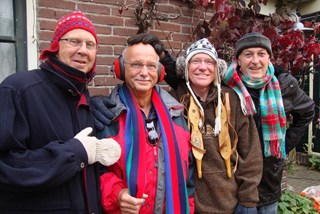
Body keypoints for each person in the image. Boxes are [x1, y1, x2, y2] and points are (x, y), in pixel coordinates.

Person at [0, 11, 121, 213]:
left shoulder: (83, 97)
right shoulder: (18, 90)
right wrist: (75, 153)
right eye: (74, 41)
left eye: (90, 45)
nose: (83, 50)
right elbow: (5, 168)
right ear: (55, 47)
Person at [96, 33, 195, 214]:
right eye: (136, 65)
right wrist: (117, 193)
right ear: (121, 69)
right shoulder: (107, 116)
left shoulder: (177, 114)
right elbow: (96, 172)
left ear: (159, 71)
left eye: (151, 66)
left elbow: (186, 173)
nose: (144, 72)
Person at [222, 32, 315, 213]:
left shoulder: (284, 85)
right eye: (248, 54)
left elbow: (307, 111)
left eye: (261, 54)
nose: (255, 61)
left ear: (269, 59)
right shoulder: (226, 86)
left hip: (269, 182)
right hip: (235, 183)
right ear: (238, 60)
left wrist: (283, 145)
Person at [170, 38, 263, 213]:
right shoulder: (172, 102)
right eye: (196, 61)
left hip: (231, 203)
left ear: (216, 70)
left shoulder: (233, 100)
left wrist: (248, 200)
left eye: (209, 62)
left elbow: (250, 154)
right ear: (185, 68)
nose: (203, 67)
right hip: (187, 204)